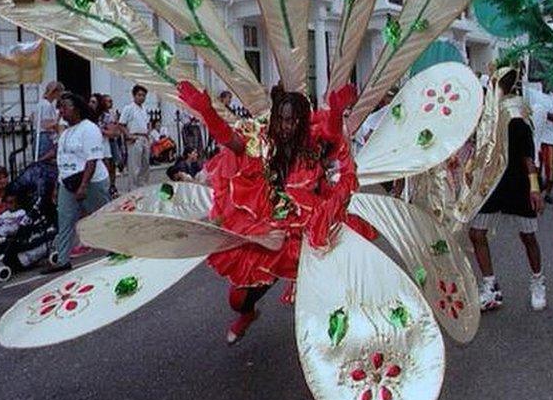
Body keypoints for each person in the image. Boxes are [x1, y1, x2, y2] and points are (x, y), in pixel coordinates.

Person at [178, 81, 372, 344]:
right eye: (281, 120)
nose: (286, 126)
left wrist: (337, 112)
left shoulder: (314, 149)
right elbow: (231, 140)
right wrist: (207, 111)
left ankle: (338, 341)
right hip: (272, 233)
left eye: (292, 121)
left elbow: (331, 134)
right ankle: (248, 315)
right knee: (238, 299)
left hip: (311, 233)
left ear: (303, 122)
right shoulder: (264, 146)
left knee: (330, 297)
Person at [468, 68, 547, 312]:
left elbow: (528, 156)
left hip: (518, 182)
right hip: (493, 182)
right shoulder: (488, 113)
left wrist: (535, 189)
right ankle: (491, 287)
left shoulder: (516, 113)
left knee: (528, 237)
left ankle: (537, 282)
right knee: (477, 232)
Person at [43, 92, 111, 273]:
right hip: (68, 182)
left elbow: (92, 159)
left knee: (102, 218)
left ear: (77, 109)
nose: (62, 111)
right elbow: (62, 160)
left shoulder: (89, 128)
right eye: (60, 108)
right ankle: (62, 259)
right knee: (65, 220)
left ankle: (116, 249)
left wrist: (83, 186)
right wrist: (58, 186)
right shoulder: (65, 133)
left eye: (65, 107)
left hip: (91, 181)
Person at [120, 84, 151, 190]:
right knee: (135, 166)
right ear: (134, 95)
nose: (141, 97)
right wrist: (129, 136)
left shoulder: (144, 109)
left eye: (143, 95)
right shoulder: (128, 108)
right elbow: (121, 124)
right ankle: (133, 189)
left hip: (144, 138)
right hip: (135, 137)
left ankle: (143, 187)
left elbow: (147, 123)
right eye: (139, 95)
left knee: (145, 165)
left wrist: (148, 135)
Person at [95, 93, 120, 197]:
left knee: (112, 164)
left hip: (111, 141)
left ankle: (112, 185)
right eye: (108, 101)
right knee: (106, 164)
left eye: (111, 101)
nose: (110, 103)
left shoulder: (112, 114)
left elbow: (115, 129)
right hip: (104, 142)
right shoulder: (99, 115)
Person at [34, 81, 64, 159]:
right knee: (45, 161)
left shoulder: (41, 104)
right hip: (45, 137)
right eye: (60, 93)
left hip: (40, 136)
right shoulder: (46, 105)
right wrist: (58, 119)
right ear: (55, 92)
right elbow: (46, 124)